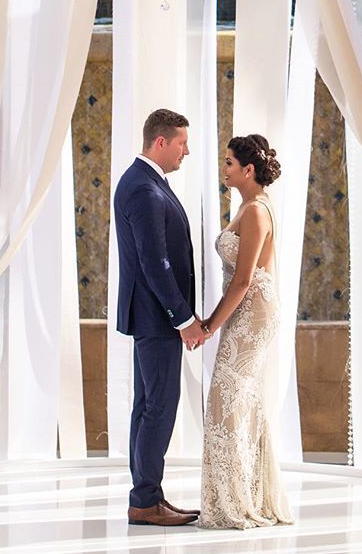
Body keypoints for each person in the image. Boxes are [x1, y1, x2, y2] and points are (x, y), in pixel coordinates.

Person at [114, 109, 205, 526]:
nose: (187, 151)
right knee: (159, 407)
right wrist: (183, 319)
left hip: (152, 317)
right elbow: (157, 263)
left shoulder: (145, 182)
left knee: (148, 405)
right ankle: (144, 500)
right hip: (156, 318)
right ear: (161, 142)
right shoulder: (143, 189)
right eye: (182, 143)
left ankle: (147, 496)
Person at [198, 134, 293, 530]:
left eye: (229, 163)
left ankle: (235, 500)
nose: (224, 169)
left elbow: (242, 281)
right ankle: (245, 493)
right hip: (247, 310)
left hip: (252, 313)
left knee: (226, 399)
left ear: (248, 170)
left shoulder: (256, 211)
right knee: (238, 402)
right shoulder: (247, 206)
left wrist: (207, 326)